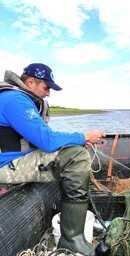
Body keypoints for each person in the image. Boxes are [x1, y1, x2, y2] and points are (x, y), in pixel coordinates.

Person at [0, 63, 104, 256]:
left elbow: (45, 136)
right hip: (6, 167)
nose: (48, 94)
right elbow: (47, 141)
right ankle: (72, 239)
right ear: (30, 81)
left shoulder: (20, 98)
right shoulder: (15, 100)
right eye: (46, 87)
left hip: (19, 160)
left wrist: (76, 140)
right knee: (77, 156)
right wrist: (84, 137)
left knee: (73, 149)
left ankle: (73, 234)